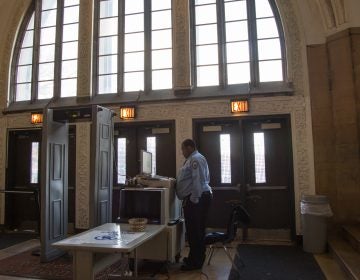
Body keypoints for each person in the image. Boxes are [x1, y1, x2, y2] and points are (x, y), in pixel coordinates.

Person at [176, 139, 212, 270]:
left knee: (195, 231)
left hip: (197, 199)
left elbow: (197, 181)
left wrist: (193, 200)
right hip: (198, 199)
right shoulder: (194, 158)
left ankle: (195, 262)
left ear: (189, 147)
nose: (182, 152)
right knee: (194, 231)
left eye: (183, 149)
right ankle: (194, 258)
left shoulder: (195, 159)